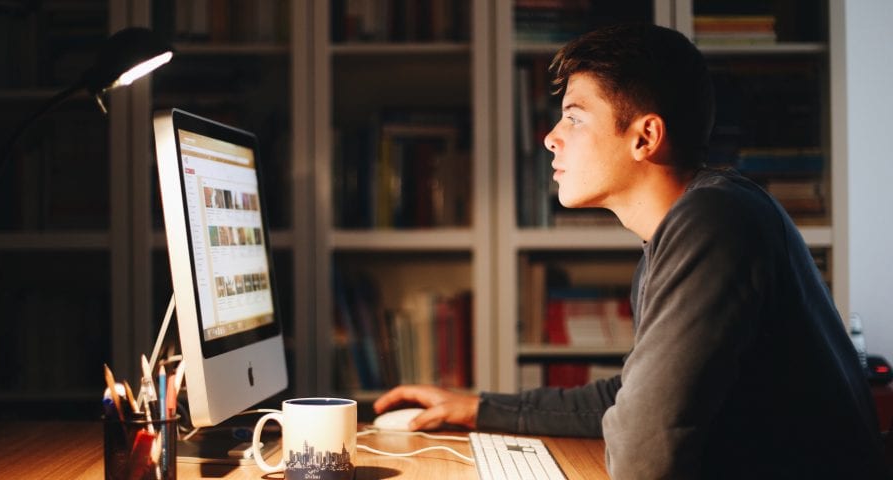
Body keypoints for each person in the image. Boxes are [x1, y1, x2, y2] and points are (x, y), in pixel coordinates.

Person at [374, 23, 890, 478]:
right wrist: (478, 408)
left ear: (646, 137)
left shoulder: (712, 222)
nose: (551, 137)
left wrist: (630, 423)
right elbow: (630, 397)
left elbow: (646, 456)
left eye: (574, 117)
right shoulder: (689, 227)